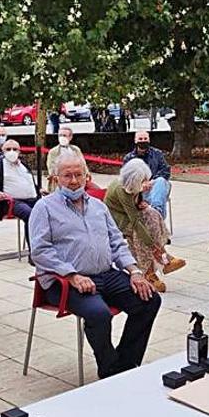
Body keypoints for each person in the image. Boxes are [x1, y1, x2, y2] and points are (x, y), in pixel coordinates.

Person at [30, 150, 160, 379]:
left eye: (78, 175)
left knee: (149, 299)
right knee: (99, 314)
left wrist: (135, 271)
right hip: (65, 282)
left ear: (86, 176)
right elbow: (39, 251)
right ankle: (110, 372)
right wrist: (72, 275)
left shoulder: (98, 207)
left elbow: (117, 241)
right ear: (55, 178)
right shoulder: (45, 208)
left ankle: (125, 366)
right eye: (67, 175)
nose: (73, 181)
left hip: (105, 274)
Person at [104, 159, 186, 293]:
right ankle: (149, 271)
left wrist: (142, 202)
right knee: (138, 233)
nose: (147, 183)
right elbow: (135, 221)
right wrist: (151, 245)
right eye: (143, 181)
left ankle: (163, 256)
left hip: (128, 213)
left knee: (153, 213)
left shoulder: (134, 185)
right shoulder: (122, 189)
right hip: (116, 219)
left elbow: (136, 201)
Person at [0, 140, 40, 230]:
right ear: (2, 151)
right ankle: (34, 244)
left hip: (33, 199)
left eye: (15, 149)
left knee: (48, 213)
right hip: (12, 202)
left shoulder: (24, 165)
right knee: (31, 215)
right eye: (8, 149)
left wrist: (39, 189)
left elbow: (30, 183)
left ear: (19, 151)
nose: (12, 152)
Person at [123, 131, 171, 218]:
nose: (143, 141)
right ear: (135, 140)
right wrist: (141, 185)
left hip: (156, 186)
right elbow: (126, 178)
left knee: (161, 181)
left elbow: (166, 171)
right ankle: (157, 217)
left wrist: (151, 182)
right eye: (140, 139)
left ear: (149, 140)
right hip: (139, 190)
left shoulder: (158, 154)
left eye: (145, 139)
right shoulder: (129, 158)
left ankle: (156, 211)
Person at [46, 126, 83, 192]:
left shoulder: (76, 150)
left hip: (76, 183)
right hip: (59, 185)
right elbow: (51, 170)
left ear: (70, 137)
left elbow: (83, 166)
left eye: (64, 135)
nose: (62, 137)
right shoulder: (53, 152)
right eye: (60, 135)